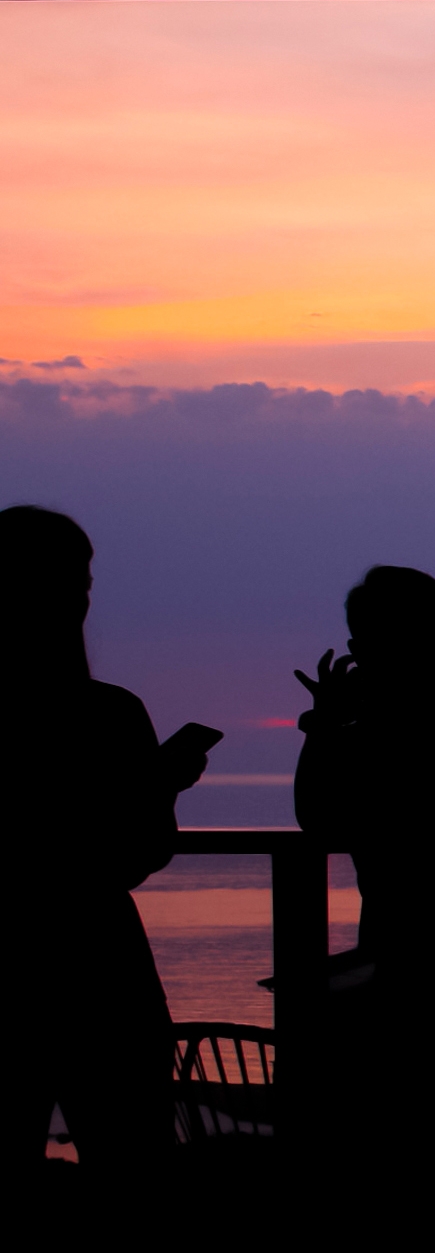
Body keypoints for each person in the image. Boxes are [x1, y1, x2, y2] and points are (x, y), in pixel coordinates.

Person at [5, 504, 207, 1177]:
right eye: (69, 579)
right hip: (101, 968)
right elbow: (135, 852)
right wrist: (159, 789)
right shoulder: (110, 714)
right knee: (133, 1154)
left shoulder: (111, 713)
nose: (80, 596)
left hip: (80, 971)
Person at [292, 565, 435, 983]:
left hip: (390, 958)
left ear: (358, 653)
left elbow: (316, 820)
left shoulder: (358, 741)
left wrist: (325, 725)